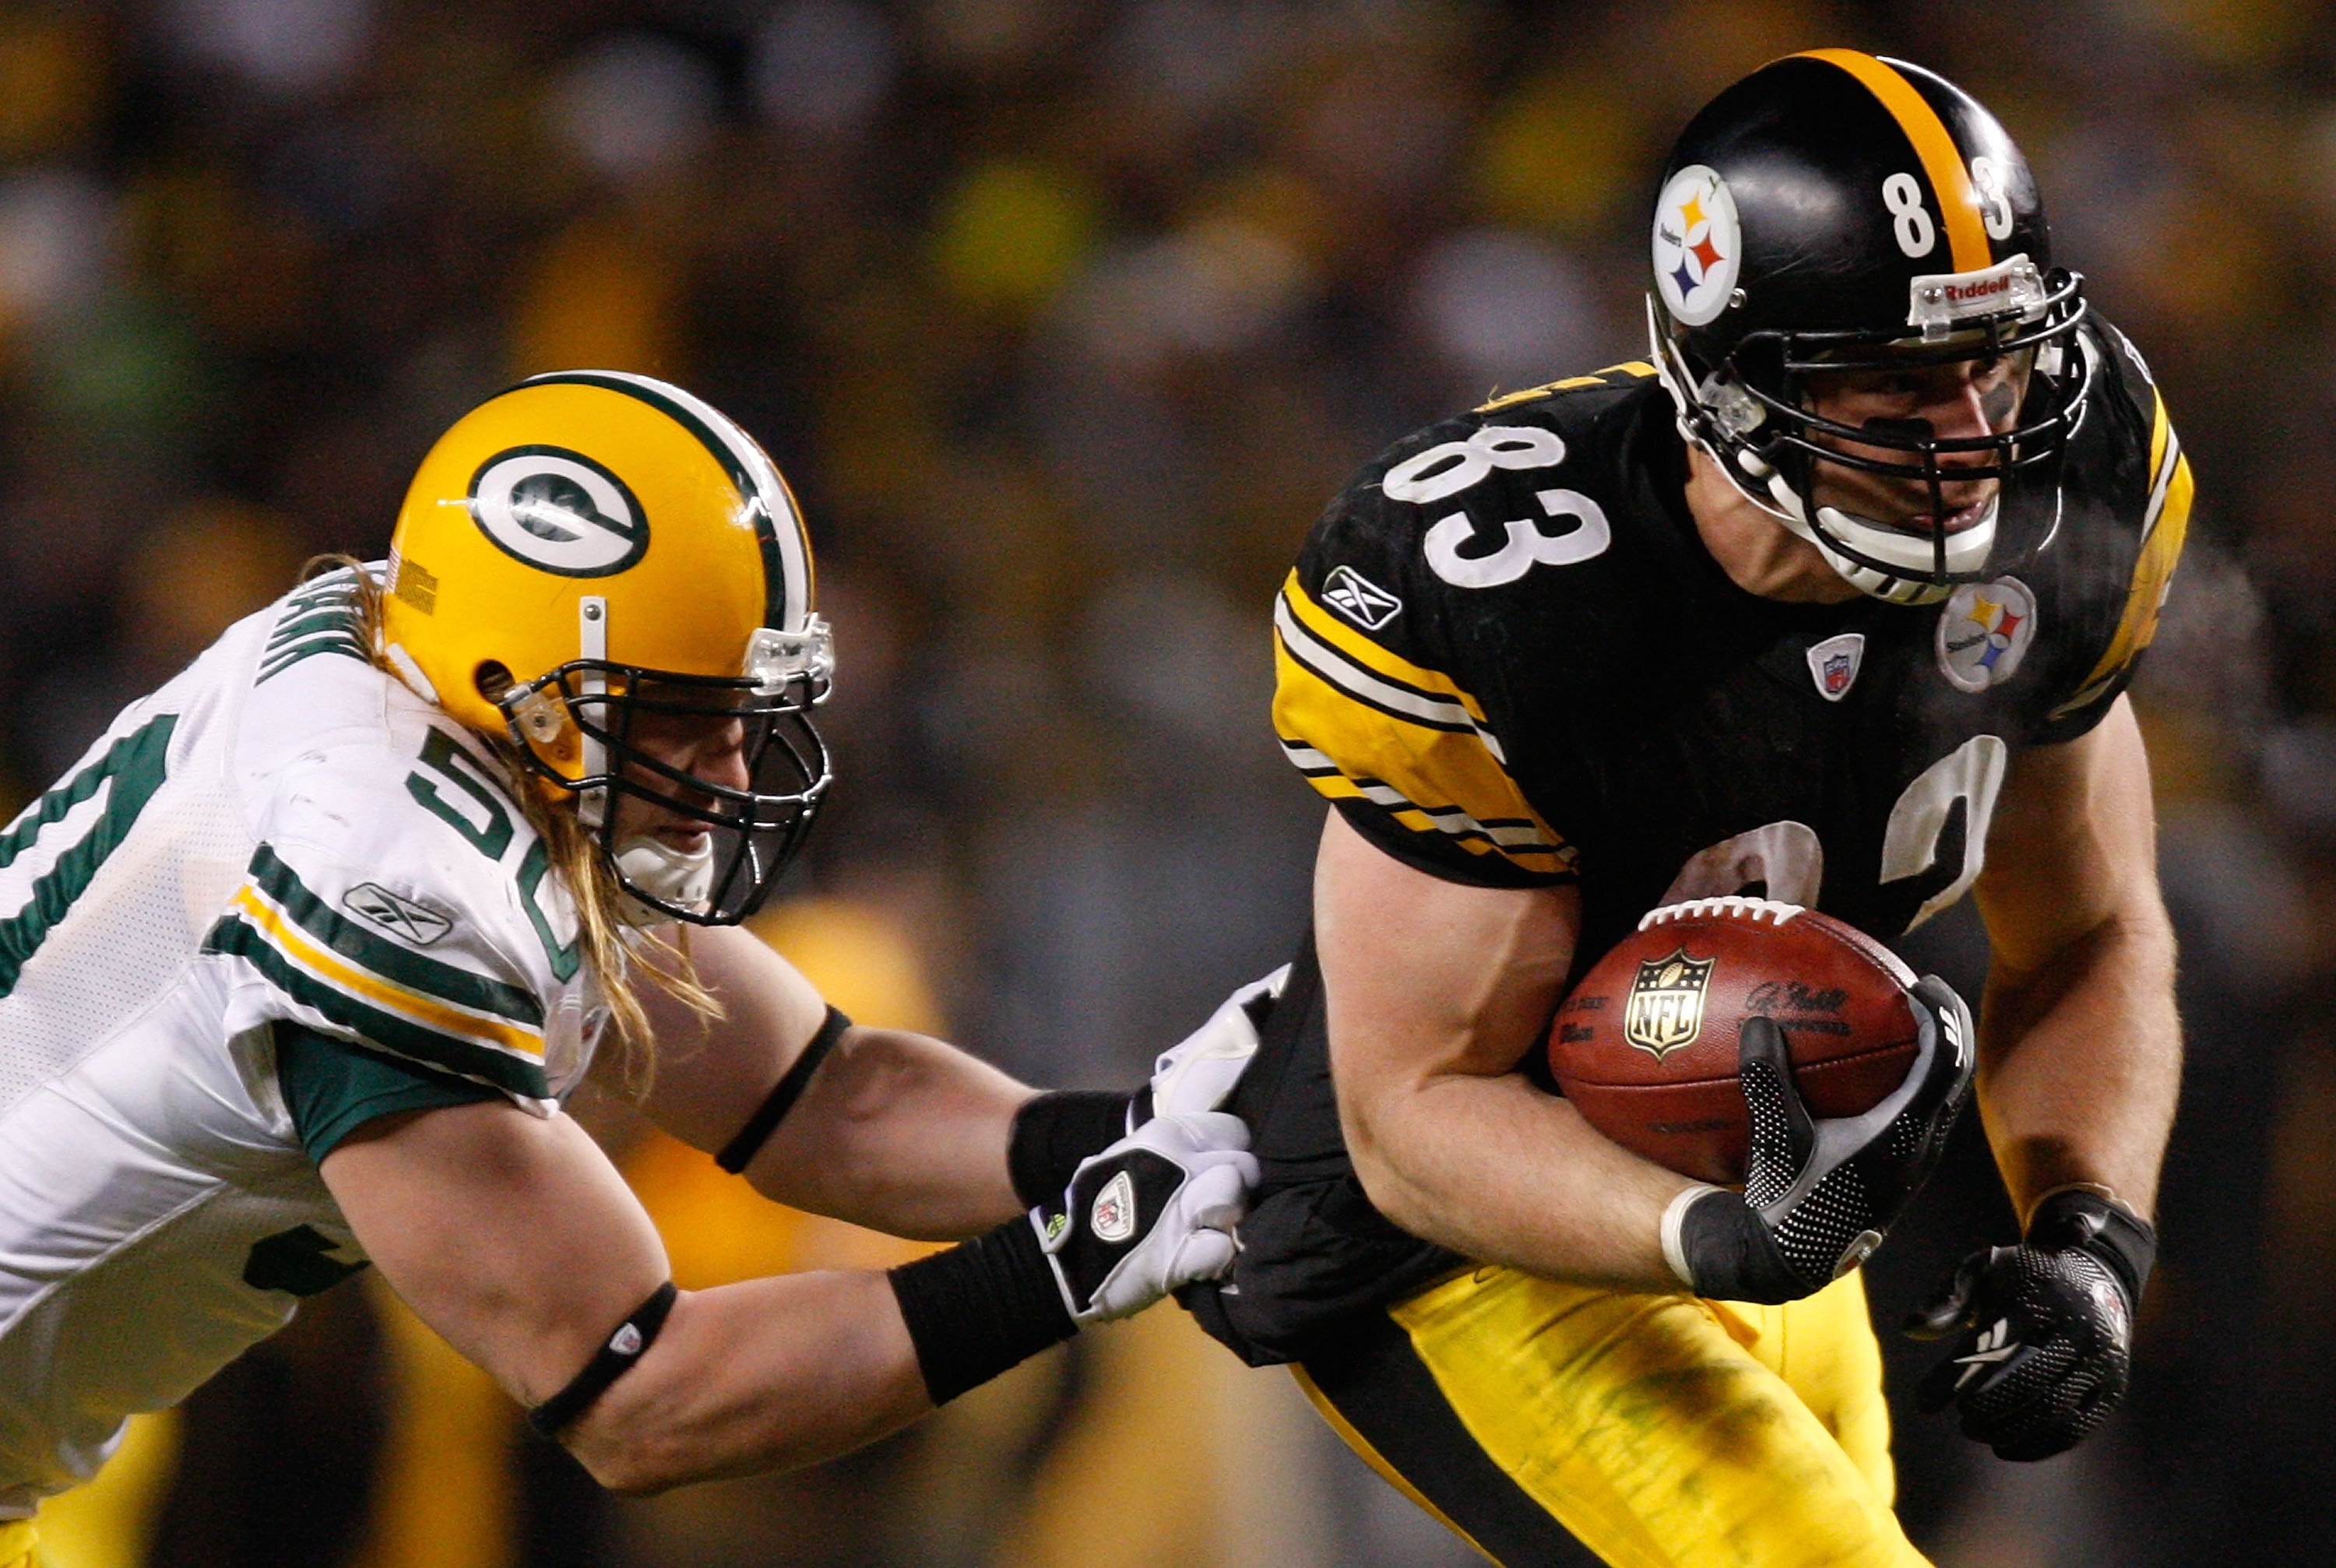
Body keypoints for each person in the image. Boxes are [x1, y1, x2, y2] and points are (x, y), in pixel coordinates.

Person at [1184, 50, 2186, 1567]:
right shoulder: (1510, 592)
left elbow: (2091, 932)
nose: (1973, 432)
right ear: (1733, 378)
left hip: (1773, 1185)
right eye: (1899, 381)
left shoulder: (2078, 486)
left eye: (1994, 361)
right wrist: (1719, 1234)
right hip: (1464, 1241)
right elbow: (1413, 1112)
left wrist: (2092, 1239)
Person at [0, 369, 1266, 1566]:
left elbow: (824, 1097)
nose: (727, 771)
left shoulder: (436, 681)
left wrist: (1151, 1132)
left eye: (740, 713)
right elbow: (645, 1395)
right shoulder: (388, 879)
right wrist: (1075, 1259)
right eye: (681, 715)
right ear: (517, 682)